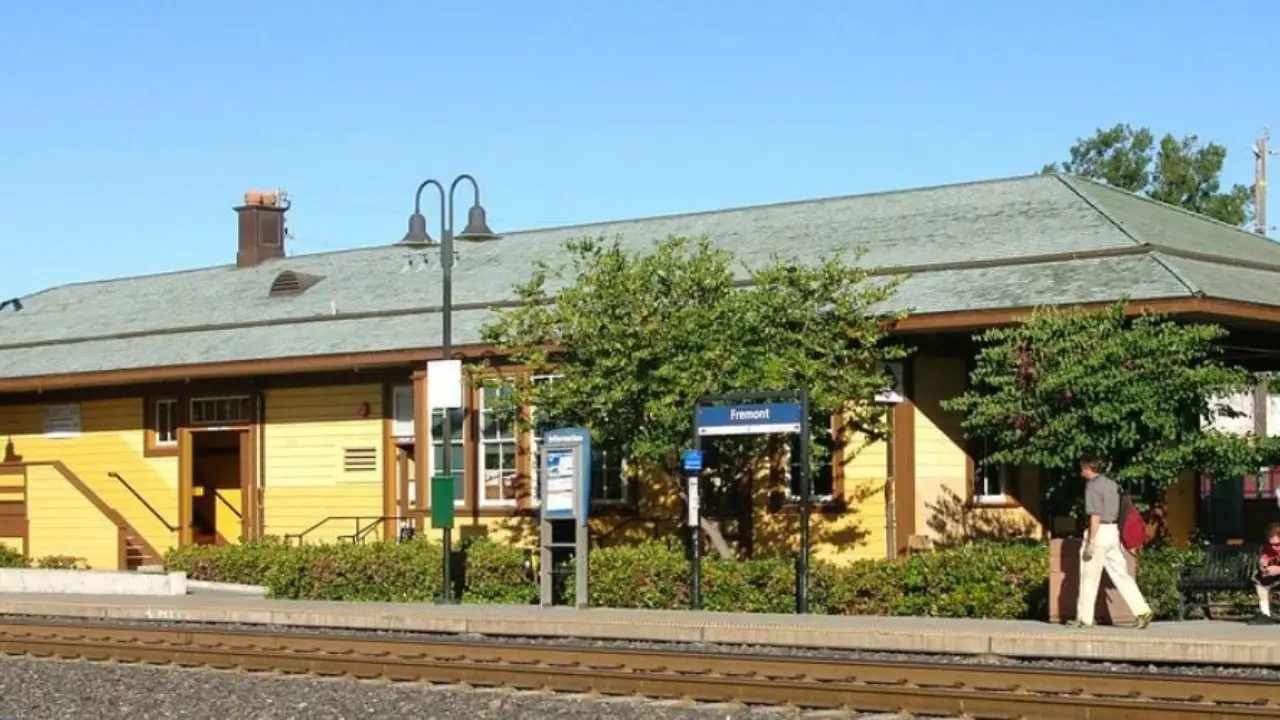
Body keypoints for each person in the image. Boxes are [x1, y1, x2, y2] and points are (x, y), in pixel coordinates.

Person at [1073, 457, 1154, 629]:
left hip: (1099, 533)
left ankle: (1084, 619)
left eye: (1082, 468)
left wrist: (1090, 542)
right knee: (1121, 574)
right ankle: (1142, 610)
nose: (1081, 471)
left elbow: (1095, 515)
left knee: (1089, 577)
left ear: (1088, 468)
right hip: (1113, 532)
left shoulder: (1092, 486)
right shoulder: (1112, 484)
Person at [1252, 522, 1280, 624]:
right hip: (1273, 576)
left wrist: (1277, 569)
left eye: (1277, 544)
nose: (1273, 547)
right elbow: (1264, 558)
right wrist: (1262, 566)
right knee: (1259, 582)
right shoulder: (1268, 547)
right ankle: (1265, 614)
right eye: (1270, 544)